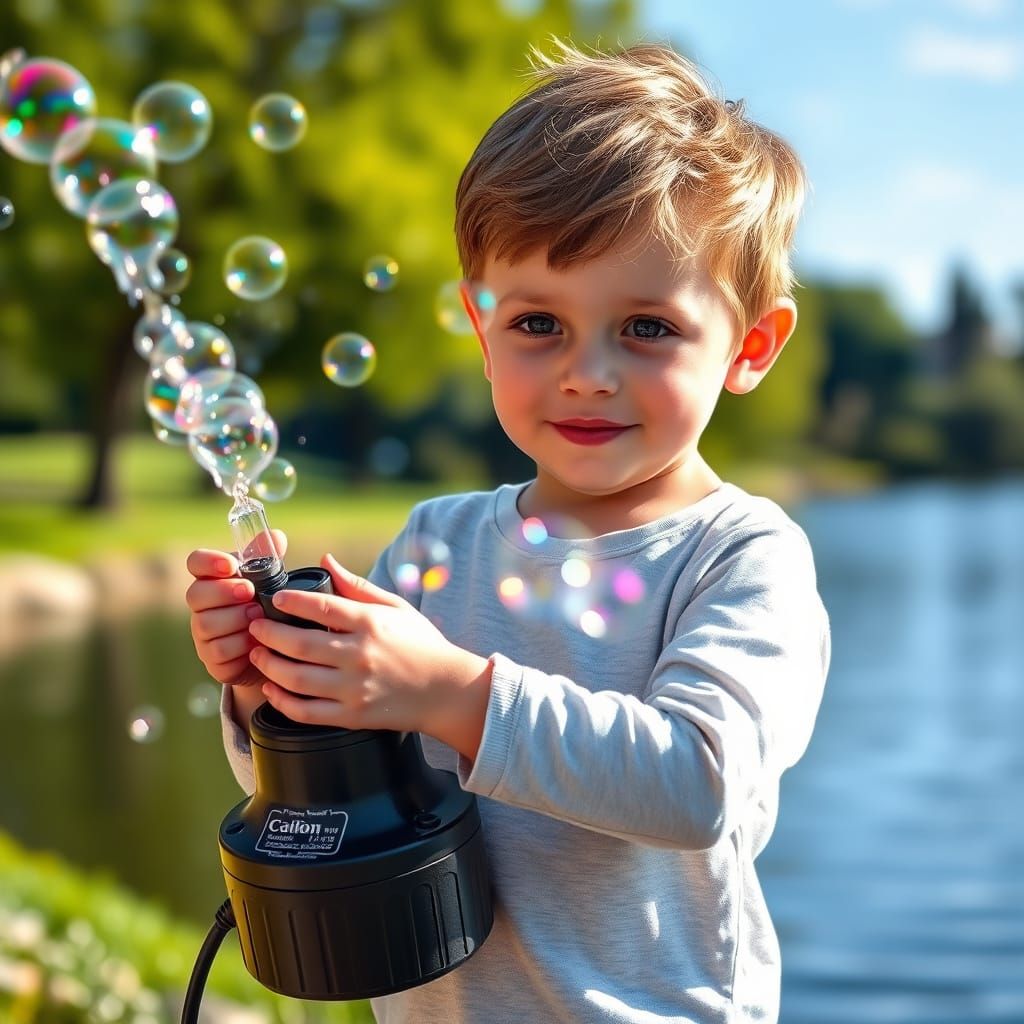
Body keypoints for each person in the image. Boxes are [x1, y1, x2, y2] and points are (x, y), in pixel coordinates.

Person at [185, 39, 830, 1024]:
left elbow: (697, 781)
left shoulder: (739, 556)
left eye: (647, 327)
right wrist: (268, 693)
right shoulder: (433, 544)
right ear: (481, 328)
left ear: (748, 347)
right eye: (538, 323)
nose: (587, 372)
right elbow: (342, 800)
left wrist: (446, 689)